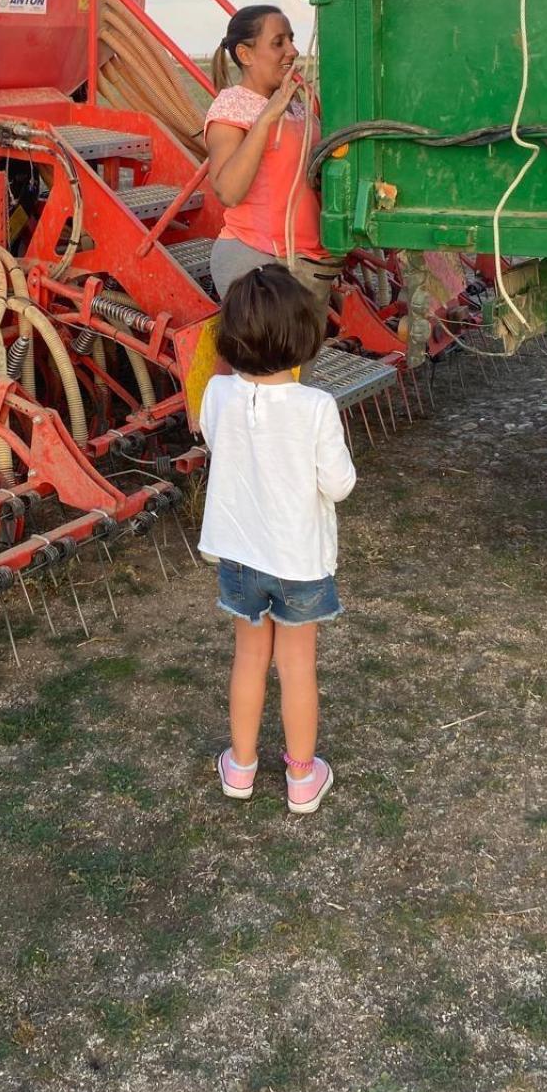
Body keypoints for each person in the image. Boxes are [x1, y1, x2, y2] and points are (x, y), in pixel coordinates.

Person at [198, 264, 356, 814]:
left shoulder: (217, 394)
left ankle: (240, 767)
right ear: (303, 337)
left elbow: (218, 443)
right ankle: (302, 778)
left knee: (247, 658)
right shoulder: (316, 408)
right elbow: (338, 485)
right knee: (297, 667)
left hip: (240, 554)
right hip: (299, 561)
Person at [204, 5, 338, 335]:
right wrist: (266, 118)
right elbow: (228, 191)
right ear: (245, 54)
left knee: (293, 379)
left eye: (291, 40)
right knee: (271, 380)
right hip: (258, 263)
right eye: (278, 43)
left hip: (304, 265)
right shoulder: (232, 106)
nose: (292, 51)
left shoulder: (297, 105)